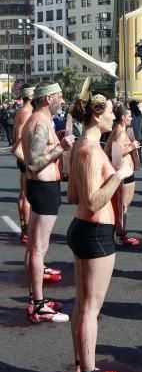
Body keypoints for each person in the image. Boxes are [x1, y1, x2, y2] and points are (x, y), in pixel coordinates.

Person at [68, 92, 131, 372]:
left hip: (84, 228)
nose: (114, 116)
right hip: (94, 231)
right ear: (96, 115)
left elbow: (71, 196)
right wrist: (118, 176)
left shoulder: (80, 146)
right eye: (109, 112)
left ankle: (83, 368)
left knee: (83, 305)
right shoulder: (91, 151)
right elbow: (92, 201)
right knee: (90, 308)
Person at [22, 82, 75, 323]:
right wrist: (61, 148)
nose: (62, 101)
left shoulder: (40, 121)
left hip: (42, 187)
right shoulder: (40, 122)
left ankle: (37, 299)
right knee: (38, 248)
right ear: (47, 99)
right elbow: (33, 162)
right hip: (43, 187)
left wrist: (56, 143)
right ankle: (38, 305)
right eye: (59, 96)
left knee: (35, 246)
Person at [104, 105, 140, 246]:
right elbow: (115, 154)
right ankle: (121, 234)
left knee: (122, 205)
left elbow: (107, 149)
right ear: (123, 118)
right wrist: (131, 147)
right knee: (122, 206)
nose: (131, 118)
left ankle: (120, 233)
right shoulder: (119, 132)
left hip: (124, 173)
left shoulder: (119, 131)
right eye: (129, 116)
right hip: (123, 174)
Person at [11, 85, 35, 243]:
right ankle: (26, 229)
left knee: (23, 193)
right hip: (24, 156)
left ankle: (24, 227)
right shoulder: (27, 112)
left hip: (23, 156)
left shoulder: (22, 110)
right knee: (27, 195)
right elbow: (19, 138)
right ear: (31, 96)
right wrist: (26, 159)